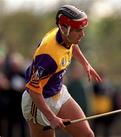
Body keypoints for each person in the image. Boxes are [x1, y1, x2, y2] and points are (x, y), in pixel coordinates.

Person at [21, 4, 101, 137]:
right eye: (78, 30)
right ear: (64, 28)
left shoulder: (65, 35)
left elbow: (72, 45)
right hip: (39, 102)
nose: (82, 34)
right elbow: (34, 90)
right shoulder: (48, 56)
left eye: (82, 29)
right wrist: (51, 118)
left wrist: (85, 64)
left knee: (87, 135)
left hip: (59, 93)